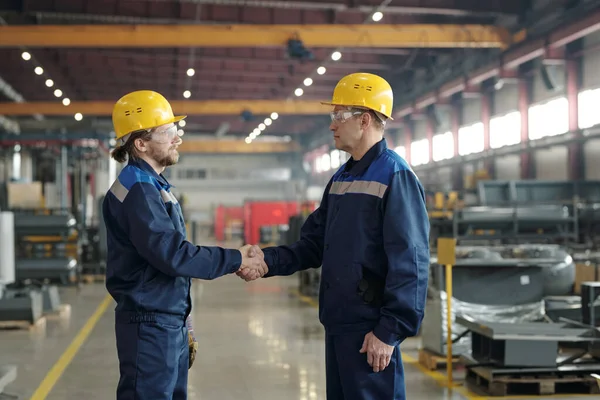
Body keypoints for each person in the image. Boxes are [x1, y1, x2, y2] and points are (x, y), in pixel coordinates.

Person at [238, 73, 430, 399]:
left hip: (370, 330)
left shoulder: (395, 175)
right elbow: (313, 243)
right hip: (340, 323)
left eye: (338, 116)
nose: (332, 125)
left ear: (365, 119)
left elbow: (411, 261)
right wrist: (266, 261)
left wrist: (388, 331)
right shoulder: (342, 178)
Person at [102, 90, 268, 400]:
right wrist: (235, 257)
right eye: (167, 132)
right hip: (150, 325)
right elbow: (173, 255)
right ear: (140, 143)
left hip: (164, 320)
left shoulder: (151, 184)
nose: (178, 138)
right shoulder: (139, 190)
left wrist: (184, 321)